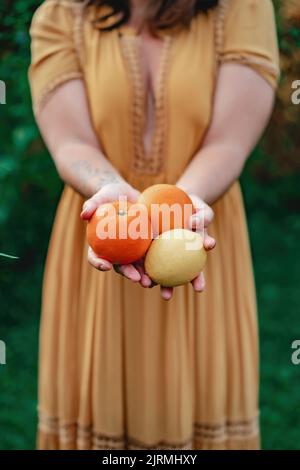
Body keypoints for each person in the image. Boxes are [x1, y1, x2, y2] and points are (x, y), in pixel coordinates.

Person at [28, 0, 280, 450]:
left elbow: (228, 142)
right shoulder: (60, 15)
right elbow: (70, 143)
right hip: (103, 224)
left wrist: (181, 211)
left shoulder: (244, 8)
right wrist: (110, 192)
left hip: (198, 230)